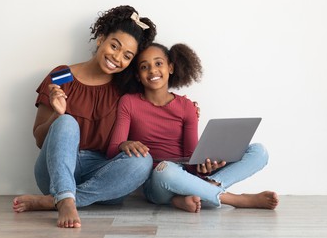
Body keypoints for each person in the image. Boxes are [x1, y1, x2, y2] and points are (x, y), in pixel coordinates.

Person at [12, 5, 157, 228]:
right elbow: (40, 140)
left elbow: (156, 109)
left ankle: (59, 200)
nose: (117, 57)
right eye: (114, 46)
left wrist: (186, 106)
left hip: (100, 176)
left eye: (127, 56)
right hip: (54, 171)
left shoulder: (126, 89)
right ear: (101, 39)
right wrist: (57, 117)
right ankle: (65, 199)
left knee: (143, 161)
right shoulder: (62, 75)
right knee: (67, 121)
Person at [107, 42, 279, 213]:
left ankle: (191, 194)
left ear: (171, 68)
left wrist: (205, 167)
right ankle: (235, 199)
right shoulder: (128, 103)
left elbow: (190, 161)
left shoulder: (186, 106)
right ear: (138, 75)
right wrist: (124, 144)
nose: (152, 70)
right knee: (166, 170)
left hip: (186, 174)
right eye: (145, 67)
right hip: (157, 180)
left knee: (259, 151)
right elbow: (112, 152)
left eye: (158, 63)